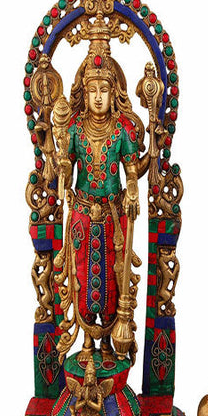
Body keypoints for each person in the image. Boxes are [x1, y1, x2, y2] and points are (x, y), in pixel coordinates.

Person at [58, 39, 144, 360]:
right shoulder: (75, 128)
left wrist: (132, 188)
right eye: (92, 90)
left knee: (111, 278)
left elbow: (131, 170)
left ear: (113, 93)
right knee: (81, 276)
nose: (97, 97)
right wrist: (62, 167)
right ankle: (86, 342)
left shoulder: (122, 130)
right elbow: (66, 166)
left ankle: (107, 342)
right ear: (85, 92)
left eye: (104, 90)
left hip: (112, 217)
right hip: (82, 214)